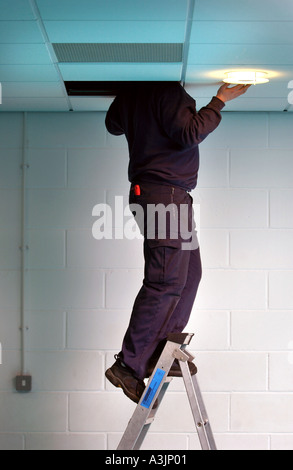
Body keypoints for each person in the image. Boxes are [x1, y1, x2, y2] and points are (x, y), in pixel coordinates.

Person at [105, 81, 250, 404]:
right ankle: (128, 365)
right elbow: (190, 133)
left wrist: (134, 103)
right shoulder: (169, 91)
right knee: (165, 281)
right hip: (163, 194)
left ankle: (162, 350)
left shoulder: (134, 93)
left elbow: (113, 124)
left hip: (167, 196)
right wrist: (220, 100)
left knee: (188, 276)